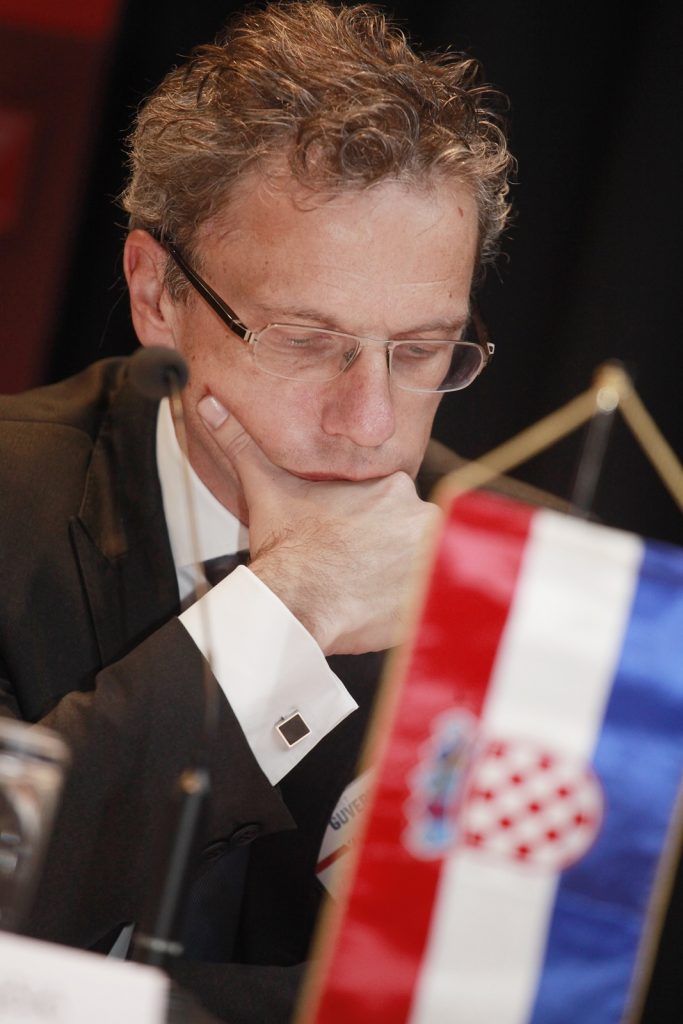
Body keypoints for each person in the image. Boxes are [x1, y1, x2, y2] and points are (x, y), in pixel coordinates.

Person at [0, 2, 513, 1020]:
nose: (369, 424)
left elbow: (507, 994)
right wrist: (280, 616)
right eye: (303, 341)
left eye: (420, 351)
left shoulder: (526, 583)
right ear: (157, 293)